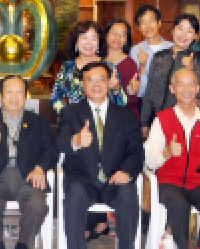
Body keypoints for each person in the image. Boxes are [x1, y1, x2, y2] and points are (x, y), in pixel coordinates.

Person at [58, 61, 144, 249]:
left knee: (128, 194)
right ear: (83, 84)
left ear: (109, 83)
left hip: (115, 180)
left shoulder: (126, 116)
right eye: (90, 80)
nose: (96, 84)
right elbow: (60, 142)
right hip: (82, 180)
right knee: (74, 195)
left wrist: (126, 172)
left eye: (101, 79)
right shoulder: (70, 113)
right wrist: (76, 140)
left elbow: (136, 152)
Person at [0, 76, 57, 249]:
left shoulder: (39, 121)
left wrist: (40, 168)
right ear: (1, 97)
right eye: (9, 92)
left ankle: (23, 244)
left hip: (28, 175)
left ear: (25, 97)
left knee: (37, 203)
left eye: (19, 92)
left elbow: (51, 151)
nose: (14, 97)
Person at [144, 68, 200, 249]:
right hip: (169, 183)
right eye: (181, 84)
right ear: (172, 89)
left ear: (198, 88)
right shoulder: (162, 119)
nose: (186, 89)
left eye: (191, 84)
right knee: (179, 205)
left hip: (199, 183)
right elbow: (149, 159)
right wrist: (166, 152)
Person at [140, 13, 200, 137]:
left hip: (182, 121)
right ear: (173, 30)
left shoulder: (197, 60)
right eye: (180, 28)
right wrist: (144, 121)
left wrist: (191, 69)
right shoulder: (159, 56)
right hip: (156, 119)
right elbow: (150, 90)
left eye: (189, 31)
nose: (183, 34)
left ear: (195, 36)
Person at [50, 21, 125, 112]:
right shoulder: (67, 68)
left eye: (93, 38)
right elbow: (55, 98)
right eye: (84, 38)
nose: (88, 43)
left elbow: (122, 104)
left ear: (99, 43)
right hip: (75, 119)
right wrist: (67, 115)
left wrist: (116, 89)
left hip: (103, 119)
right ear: (76, 42)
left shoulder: (109, 67)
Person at [129, 5, 173, 104]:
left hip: (168, 102)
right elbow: (137, 88)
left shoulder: (172, 48)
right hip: (144, 102)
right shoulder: (135, 50)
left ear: (159, 23)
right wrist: (142, 66)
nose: (148, 26)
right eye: (143, 23)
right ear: (139, 28)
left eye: (151, 21)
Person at [103, 19, 140, 120]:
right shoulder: (98, 61)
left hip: (124, 117)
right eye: (114, 33)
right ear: (106, 35)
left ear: (126, 39)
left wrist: (131, 91)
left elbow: (131, 100)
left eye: (122, 34)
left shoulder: (130, 64)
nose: (117, 37)